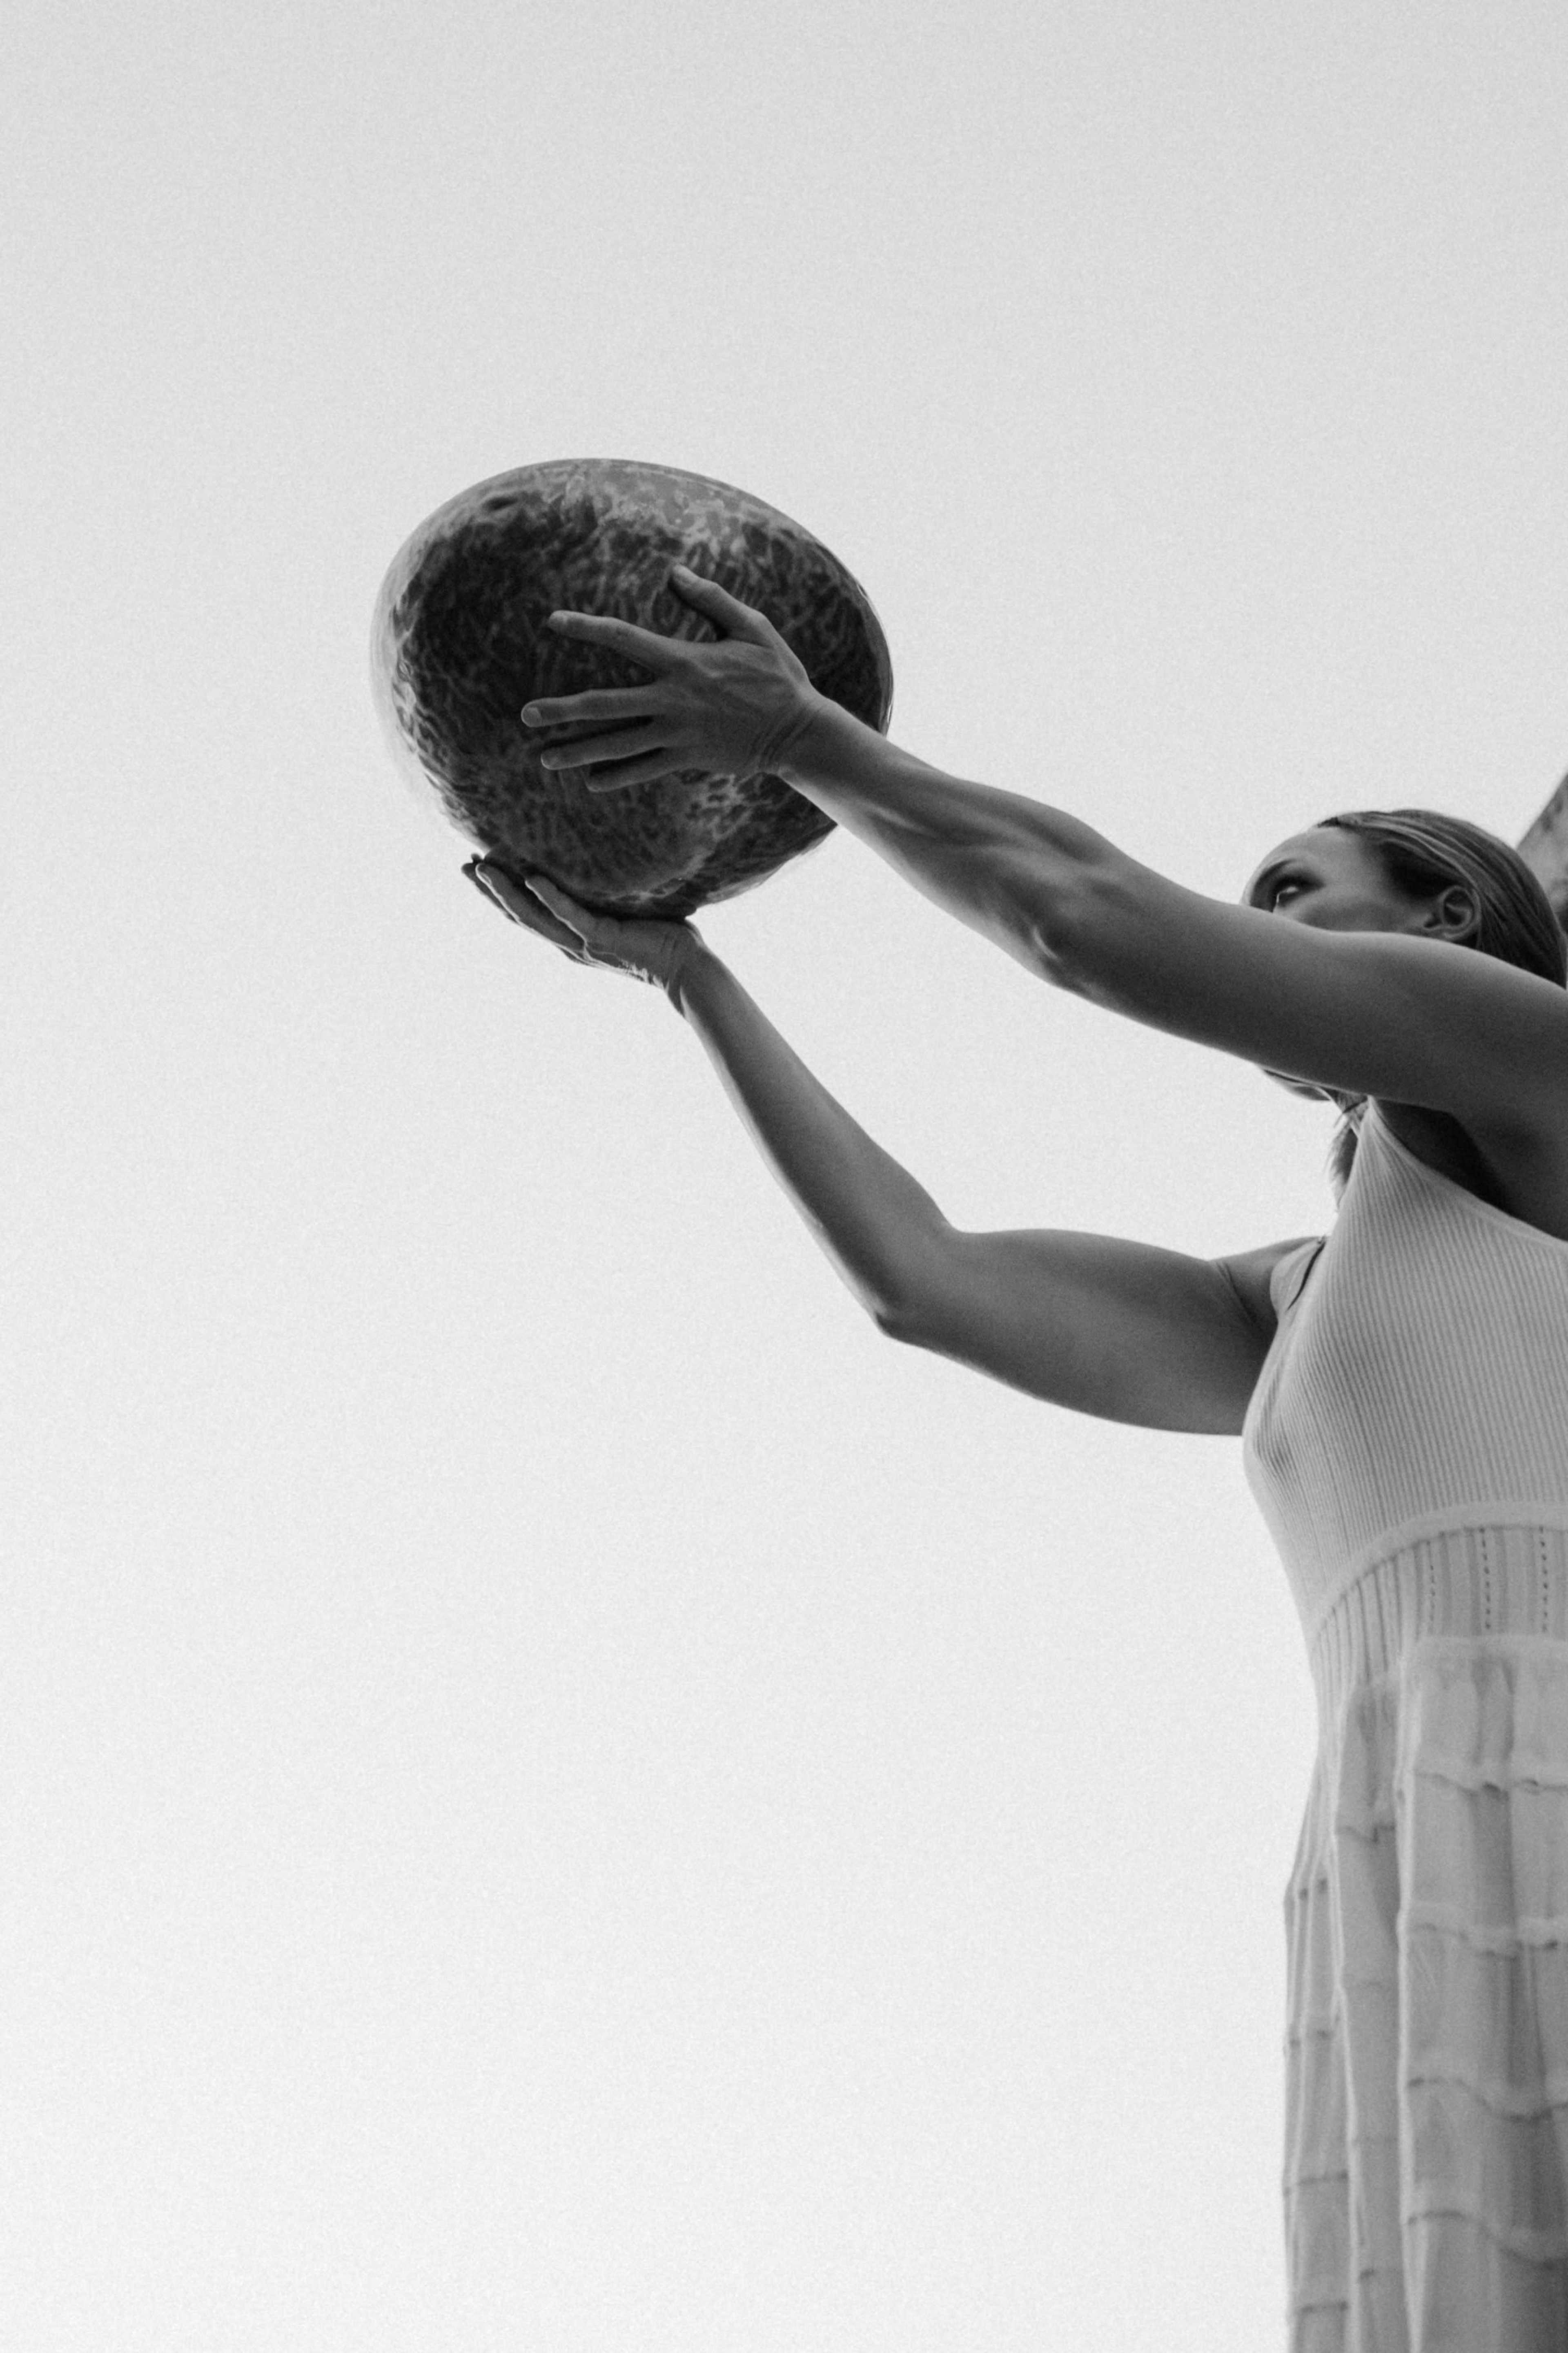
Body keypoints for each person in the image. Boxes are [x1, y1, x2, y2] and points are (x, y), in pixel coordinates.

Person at [466, 569, 1568, 2352]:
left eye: (1290, 891)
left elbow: (1083, 922)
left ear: (1442, 912)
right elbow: (931, 1281)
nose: (1253, 925)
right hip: (1401, 1839)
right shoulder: (1287, 1306)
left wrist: (806, 743)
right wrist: (692, 980)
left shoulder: (1540, 1074)